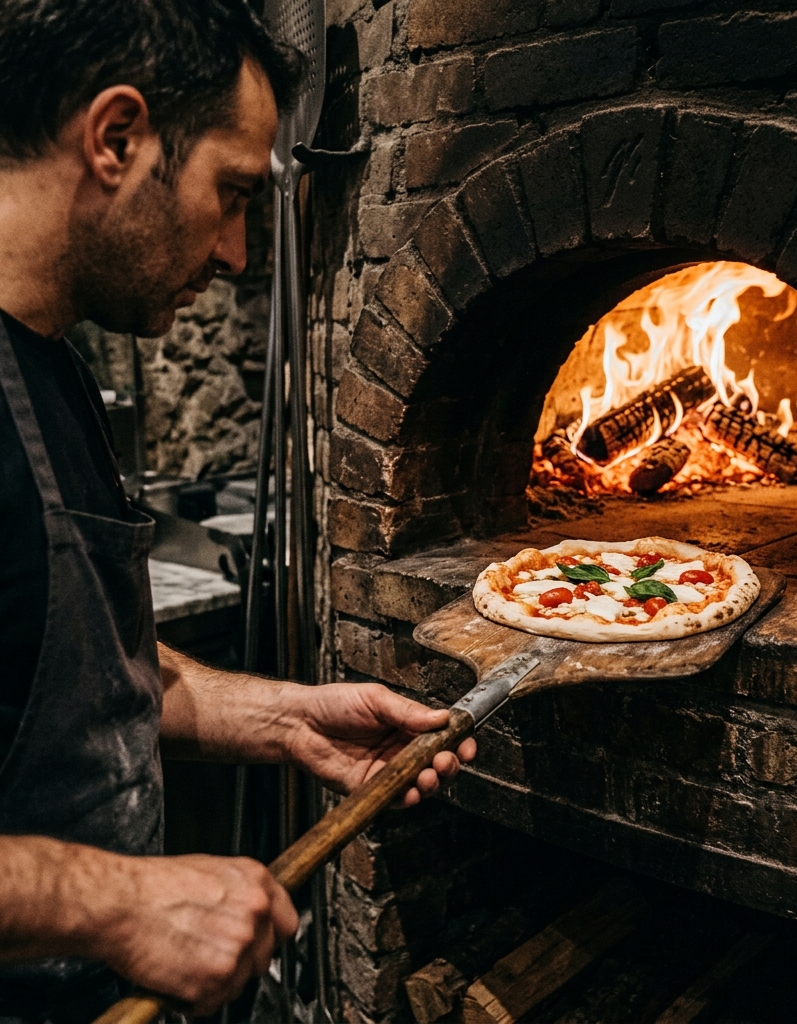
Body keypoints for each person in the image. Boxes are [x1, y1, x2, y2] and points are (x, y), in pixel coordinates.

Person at [0, 1, 477, 1019]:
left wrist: (287, 716)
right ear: (116, 139)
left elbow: (76, 676)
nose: (234, 251)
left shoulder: (52, 362)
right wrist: (115, 903)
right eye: (231, 193)